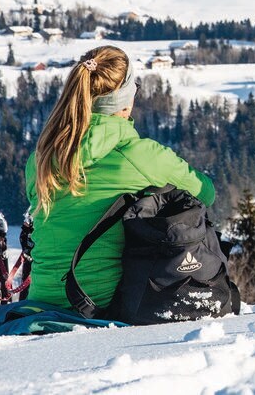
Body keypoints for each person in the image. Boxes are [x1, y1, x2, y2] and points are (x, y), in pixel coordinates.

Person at [25, 45, 215, 308]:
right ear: (126, 99)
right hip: (103, 305)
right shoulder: (144, 156)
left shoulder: (41, 158)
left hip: (41, 300)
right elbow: (205, 193)